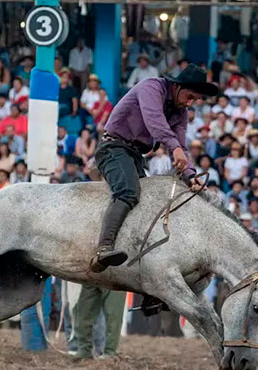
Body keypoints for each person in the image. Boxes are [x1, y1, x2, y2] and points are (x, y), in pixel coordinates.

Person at [90, 64, 214, 272]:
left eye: (196, 100)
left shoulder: (181, 111)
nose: (190, 103)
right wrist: (174, 147)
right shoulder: (151, 87)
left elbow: (181, 146)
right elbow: (153, 119)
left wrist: (191, 176)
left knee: (148, 203)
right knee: (128, 192)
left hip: (135, 156)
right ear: (177, 87)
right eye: (190, 96)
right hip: (113, 147)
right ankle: (103, 249)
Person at [71, 286, 126, 359]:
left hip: (115, 278)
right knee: (82, 311)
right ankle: (84, 350)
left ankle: (110, 352)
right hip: (89, 277)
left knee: (113, 315)